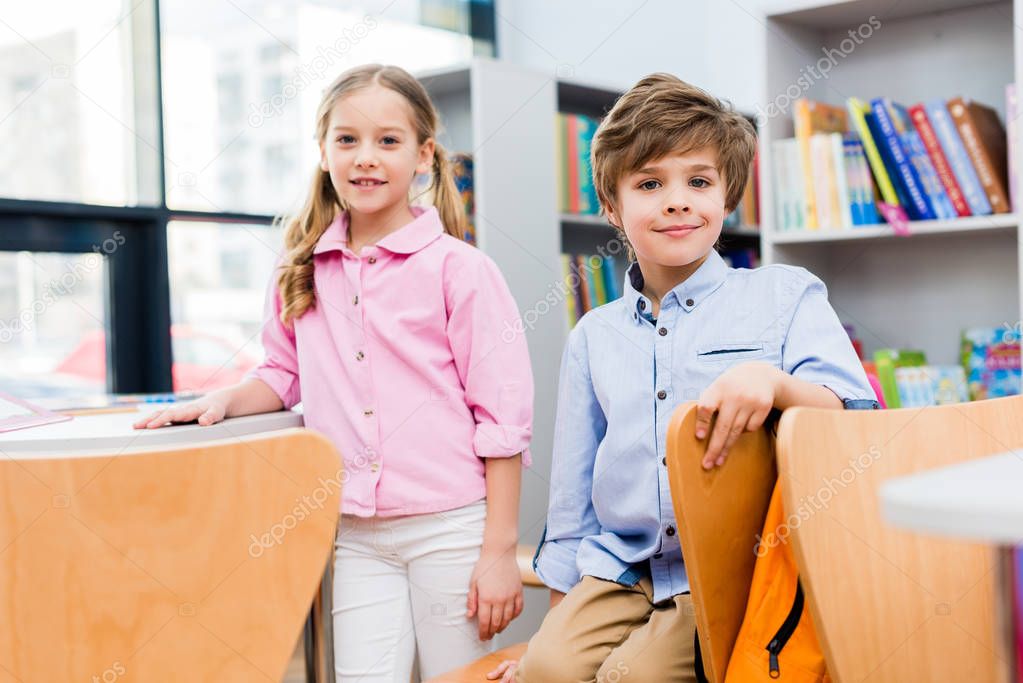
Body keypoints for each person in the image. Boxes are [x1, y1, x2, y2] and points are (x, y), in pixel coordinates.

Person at [135, 63, 534, 683]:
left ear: (424, 155)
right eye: (347, 140)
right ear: (322, 152)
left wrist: (499, 551)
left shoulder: (462, 271)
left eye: (388, 140)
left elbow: (503, 422)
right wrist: (220, 401)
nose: (366, 158)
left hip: (450, 528)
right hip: (353, 531)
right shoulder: (302, 268)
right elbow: (282, 374)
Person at [488, 73, 876, 683]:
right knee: (548, 672)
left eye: (698, 181)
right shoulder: (593, 334)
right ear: (612, 207)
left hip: (724, 569)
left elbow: (855, 416)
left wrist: (773, 384)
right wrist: (549, 650)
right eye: (650, 184)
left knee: (631, 678)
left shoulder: (785, 294)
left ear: (727, 197)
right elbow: (571, 501)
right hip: (620, 566)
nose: (677, 200)